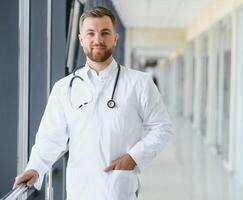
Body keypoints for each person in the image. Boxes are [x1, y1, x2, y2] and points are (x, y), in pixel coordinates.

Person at [14, 6, 173, 200]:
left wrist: (132, 158)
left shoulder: (139, 83)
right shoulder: (64, 88)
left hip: (118, 189)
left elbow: (162, 128)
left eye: (105, 33)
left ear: (115, 38)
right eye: (90, 33)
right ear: (81, 40)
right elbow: (50, 137)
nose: (97, 40)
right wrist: (35, 169)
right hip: (79, 191)